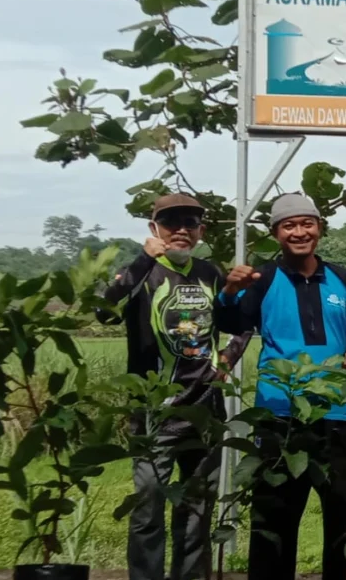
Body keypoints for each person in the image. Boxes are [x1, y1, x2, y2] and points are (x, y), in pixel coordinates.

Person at [96, 193, 251, 580]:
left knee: (197, 508)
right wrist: (144, 258)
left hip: (204, 410)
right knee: (148, 508)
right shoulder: (140, 271)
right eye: (171, 223)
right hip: (154, 413)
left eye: (190, 223)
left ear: (200, 230)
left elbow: (242, 319)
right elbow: (105, 311)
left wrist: (228, 358)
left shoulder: (211, 273)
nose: (181, 229)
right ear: (154, 229)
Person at [219, 192, 346, 580]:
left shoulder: (344, 279)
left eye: (307, 223)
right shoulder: (263, 279)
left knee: (343, 520)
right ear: (275, 233)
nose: (299, 232)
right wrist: (228, 292)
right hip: (279, 415)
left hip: (336, 413)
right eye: (289, 225)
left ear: (319, 228)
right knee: (274, 519)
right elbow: (232, 323)